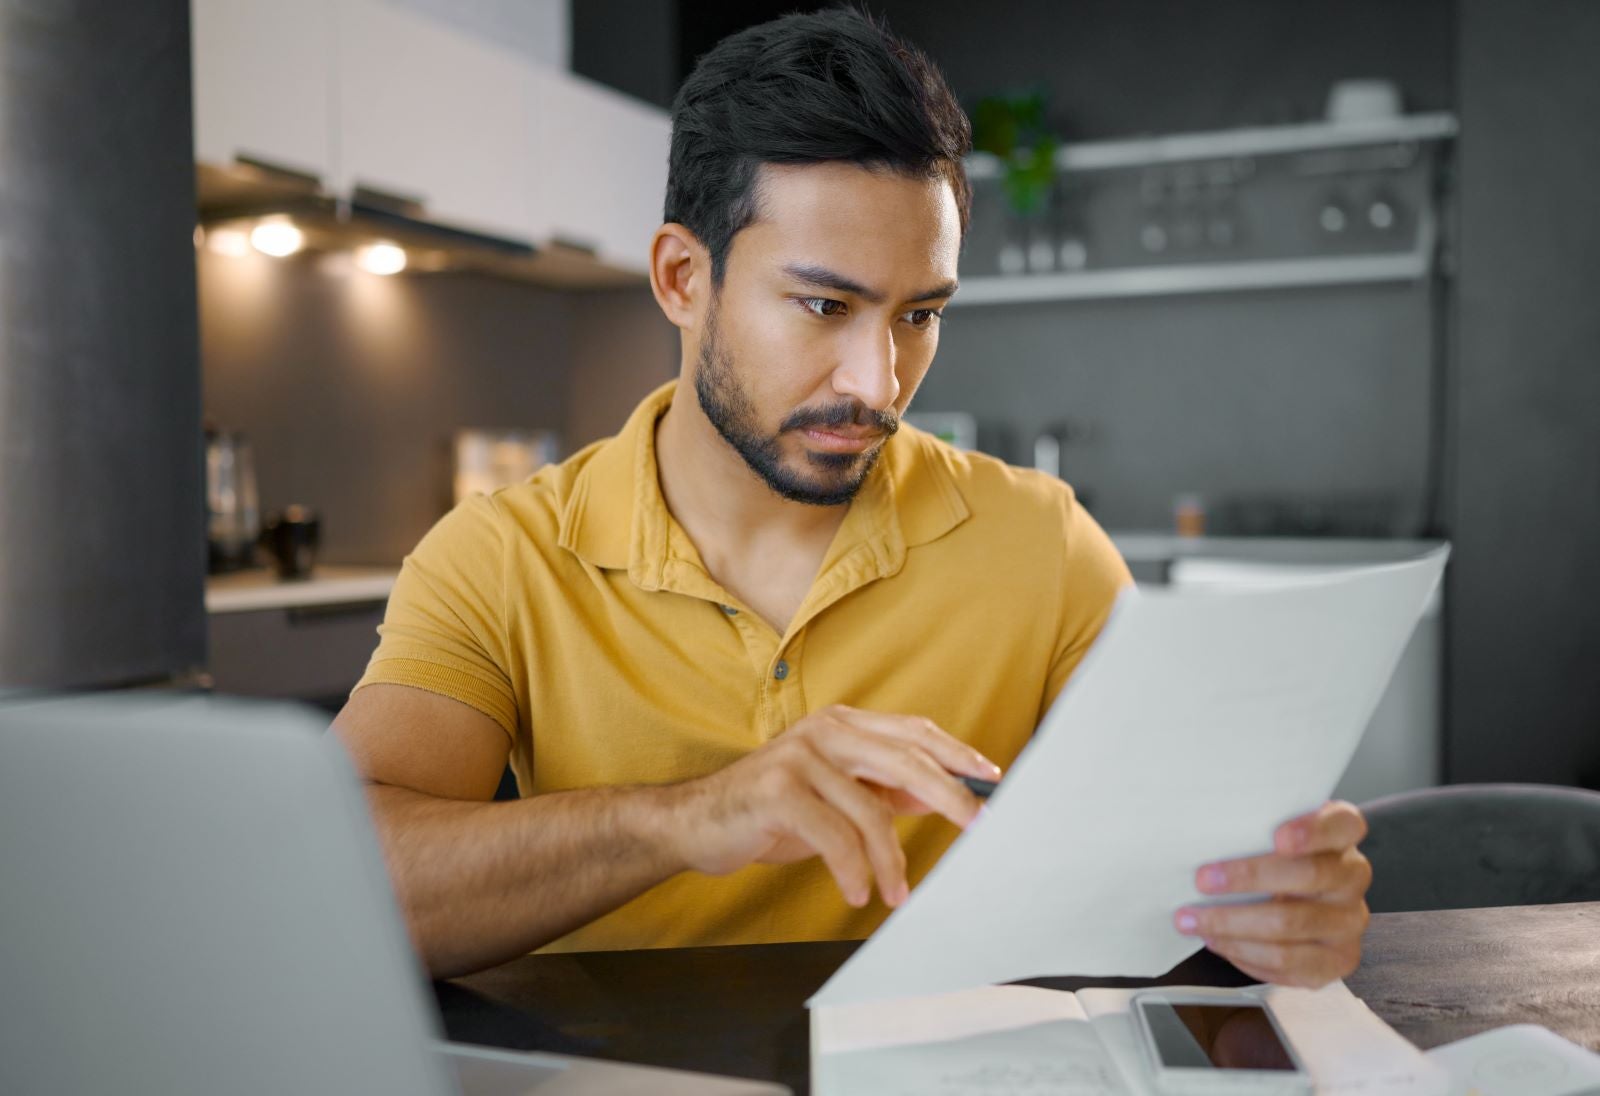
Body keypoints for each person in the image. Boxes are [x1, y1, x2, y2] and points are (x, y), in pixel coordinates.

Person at [333, 9, 1372, 985]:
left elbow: (1181, 865)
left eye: (918, 315)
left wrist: (1275, 906)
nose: (877, 383)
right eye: (822, 305)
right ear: (682, 278)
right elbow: (332, 885)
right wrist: (683, 818)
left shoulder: (1042, 542)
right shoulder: (502, 554)